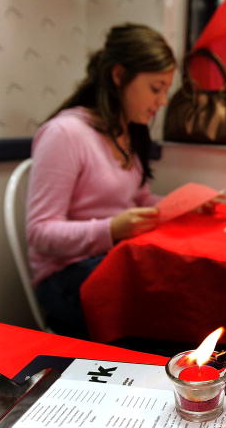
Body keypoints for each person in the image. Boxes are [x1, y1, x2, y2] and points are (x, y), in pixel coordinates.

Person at [26, 23, 176, 338]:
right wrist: (110, 229)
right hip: (66, 276)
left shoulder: (127, 131)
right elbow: (39, 232)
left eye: (165, 90)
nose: (162, 101)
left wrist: (183, 204)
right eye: (155, 88)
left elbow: (137, 200)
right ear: (119, 76)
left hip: (109, 259)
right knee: (164, 312)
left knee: (177, 284)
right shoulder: (65, 134)